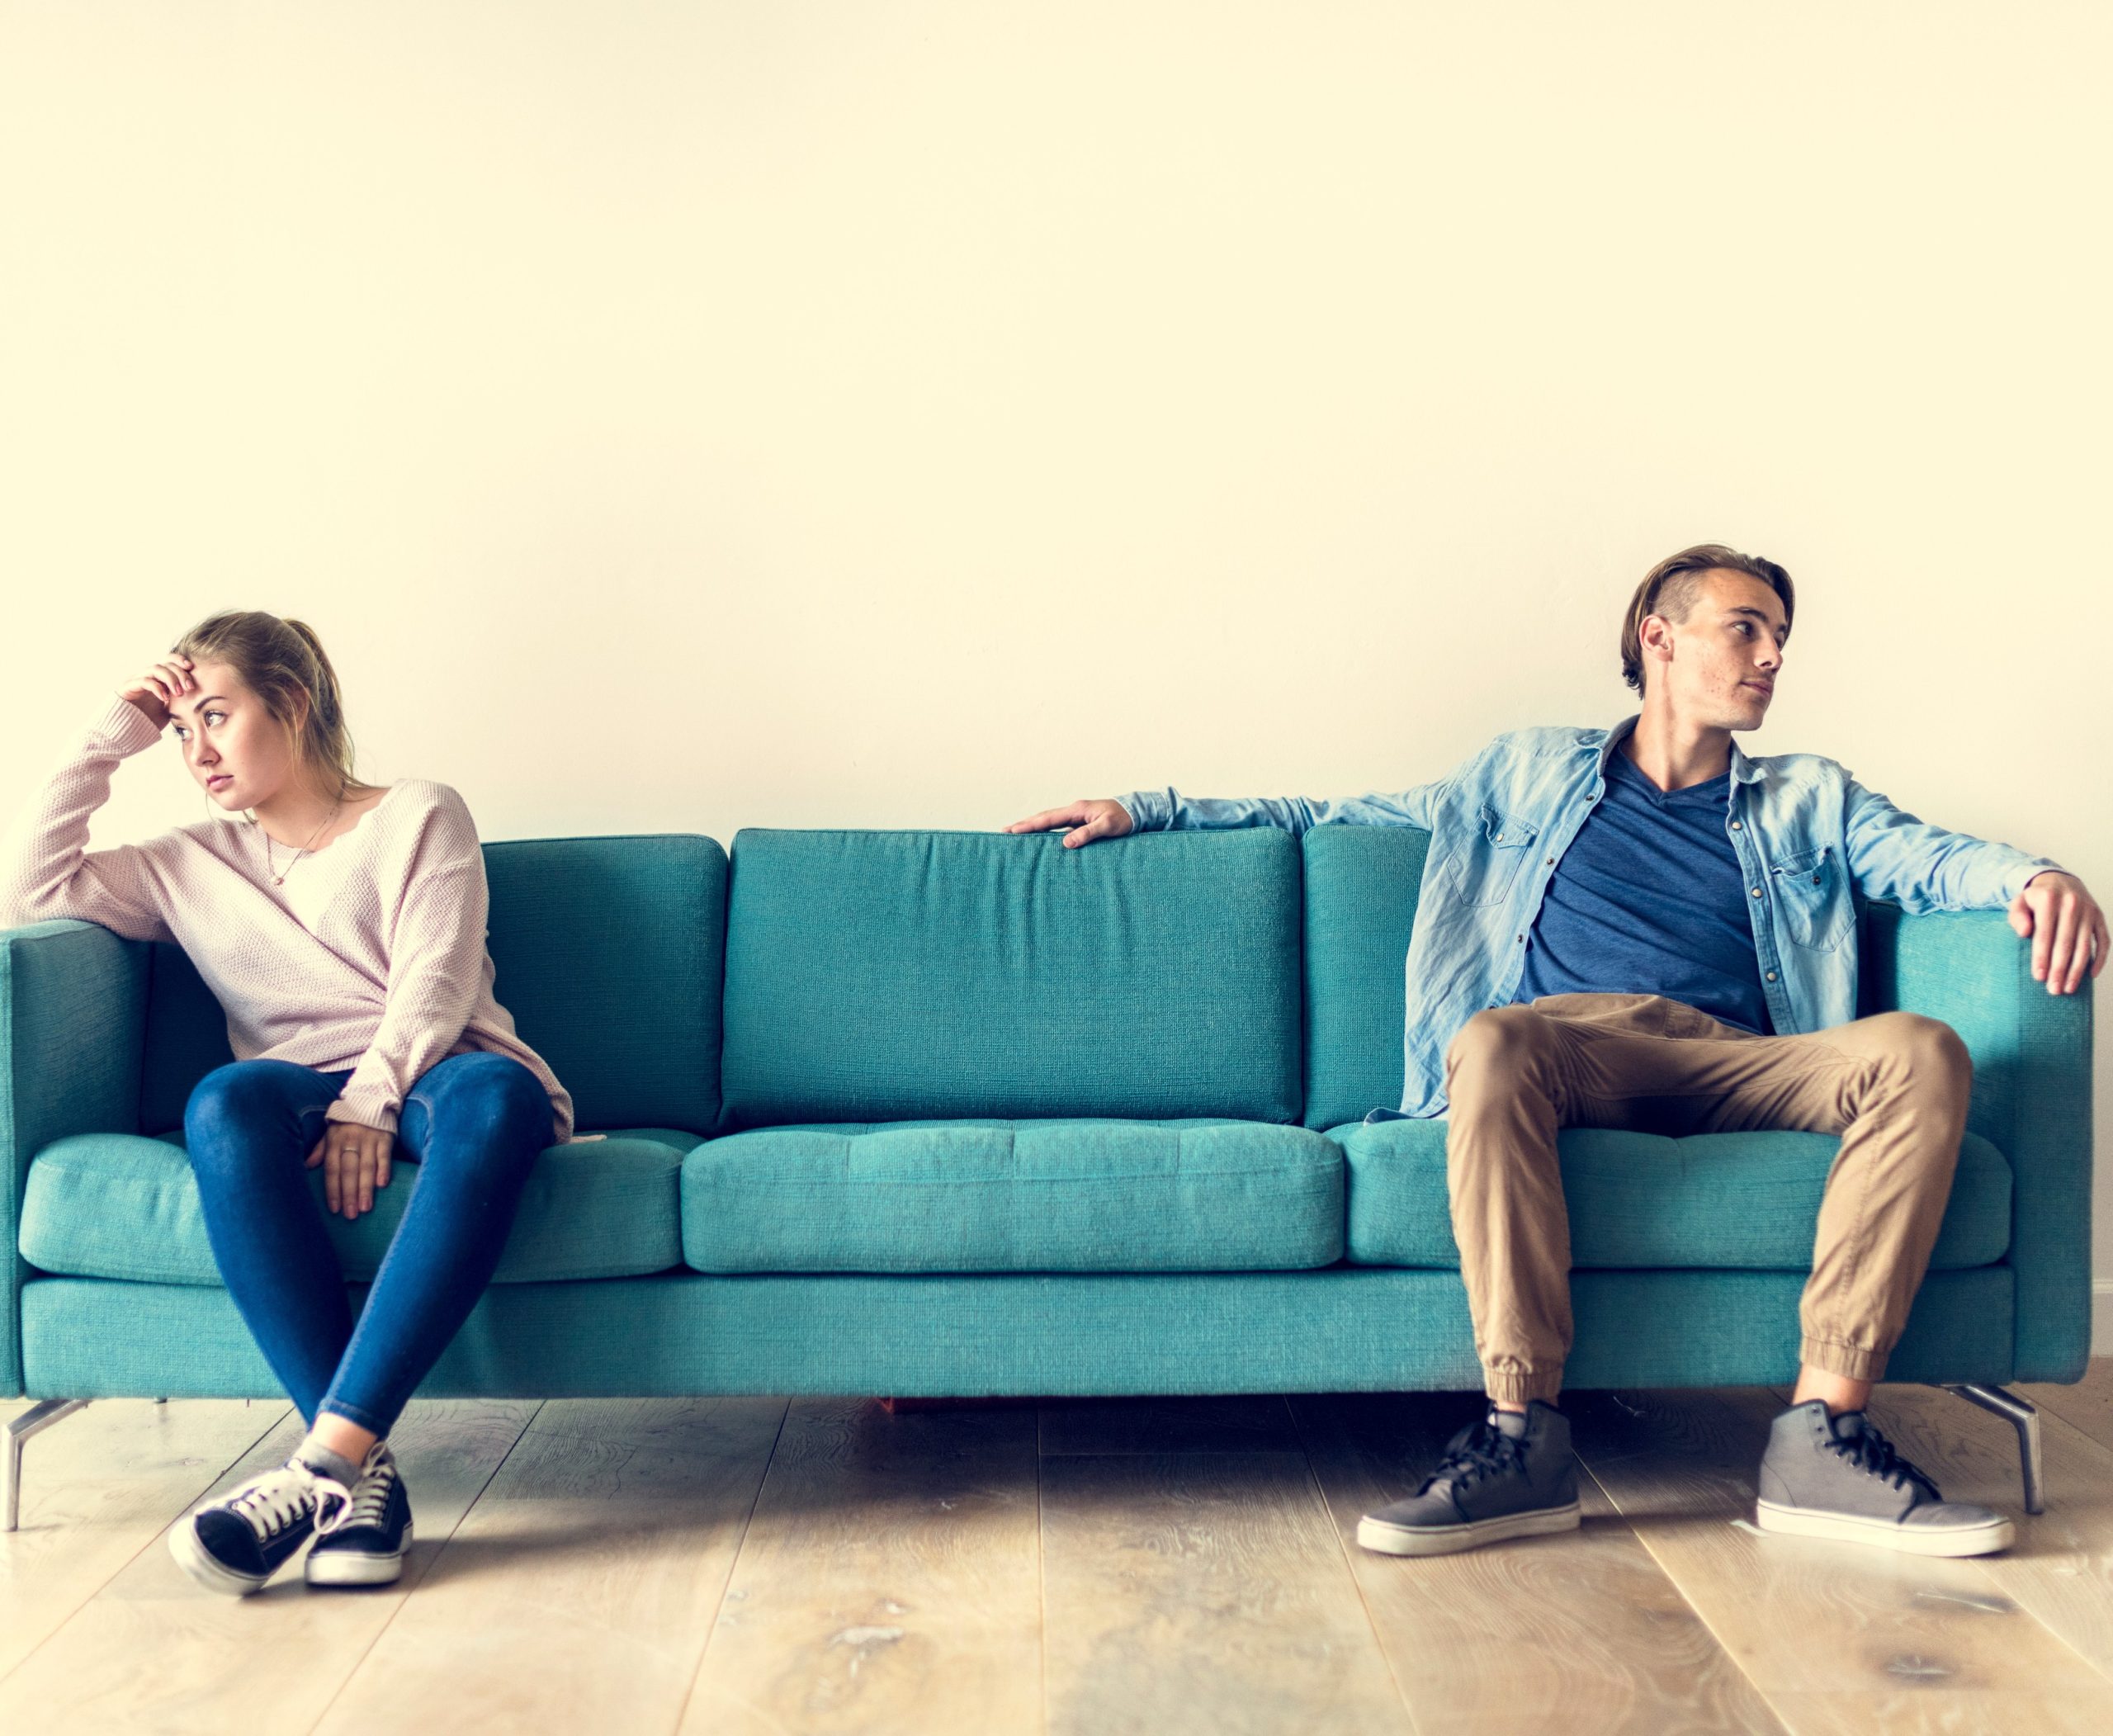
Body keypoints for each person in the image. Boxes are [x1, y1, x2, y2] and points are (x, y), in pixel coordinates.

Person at [1008, 542, 2106, 1560]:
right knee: (1491, 1039)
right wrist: (1150, 808)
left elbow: (1928, 858)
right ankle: (1520, 1436)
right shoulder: (1523, 771)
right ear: (1658, 637)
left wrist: (2034, 875)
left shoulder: (1808, 794)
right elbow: (1332, 812)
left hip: (1738, 1059)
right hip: (1570, 1048)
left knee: (1920, 1048)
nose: (1772, 655)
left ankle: (1824, 1435)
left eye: (1780, 637)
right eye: (1745, 628)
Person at [0, 612, 574, 1596]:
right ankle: (354, 1475)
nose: (197, 750)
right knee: (224, 1101)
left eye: (216, 717)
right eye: (181, 730)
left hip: (440, 1067)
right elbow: (34, 890)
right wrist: (115, 730)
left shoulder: (420, 812)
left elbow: (435, 980)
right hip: (296, 1087)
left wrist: (370, 1103)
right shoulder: (183, 864)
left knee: (498, 1097)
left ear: (293, 704)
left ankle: (321, 1469)